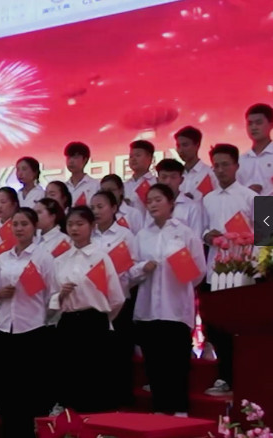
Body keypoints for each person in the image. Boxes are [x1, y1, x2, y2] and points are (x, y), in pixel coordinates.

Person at [131, 183, 207, 416]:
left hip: (175, 309)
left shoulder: (185, 233)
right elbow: (130, 272)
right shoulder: (142, 235)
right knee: (154, 365)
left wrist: (180, 272)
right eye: (149, 201)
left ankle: (180, 411)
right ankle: (160, 411)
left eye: (158, 200)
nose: (152, 205)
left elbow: (199, 272)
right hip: (148, 310)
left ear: (171, 203)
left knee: (176, 364)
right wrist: (143, 268)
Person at [50, 206, 125, 413]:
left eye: (80, 224)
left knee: (95, 377)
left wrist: (103, 319)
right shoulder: (60, 260)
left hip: (94, 322)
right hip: (68, 322)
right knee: (69, 375)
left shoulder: (101, 258)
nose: (74, 228)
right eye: (70, 224)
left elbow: (116, 298)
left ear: (92, 226)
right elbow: (51, 297)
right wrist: (61, 296)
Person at [0, 208, 56, 438]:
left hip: (32, 328)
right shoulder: (3, 257)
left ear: (34, 226)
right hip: (4, 326)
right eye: (16, 224)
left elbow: (52, 294)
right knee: (6, 388)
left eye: (24, 224)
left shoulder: (43, 256)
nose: (19, 228)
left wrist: (42, 317)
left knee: (29, 389)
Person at [201, 144, 256, 396]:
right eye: (216, 166)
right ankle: (224, 377)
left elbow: (268, 235)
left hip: (244, 270)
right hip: (215, 269)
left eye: (225, 164)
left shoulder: (253, 197)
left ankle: (246, 377)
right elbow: (202, 230)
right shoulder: (207, 199)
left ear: (236, 166)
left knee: (243, 328)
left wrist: (246, 240)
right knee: (217, 327)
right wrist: (207, 235)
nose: (221, 170)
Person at [90, 190, 139, 407]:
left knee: (120, 353)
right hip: (94, 302)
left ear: (114, 208)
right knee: (98, 355)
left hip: (120, 300)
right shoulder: (89, 235)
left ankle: (122, 403)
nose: (96, 211)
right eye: (93, 208)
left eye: (100, 207)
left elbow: (135, 267)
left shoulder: (125, 235)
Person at [151, 159, 204, 232]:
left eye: (173, 177)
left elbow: (196, 236)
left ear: (181, 180)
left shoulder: (193, 207)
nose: (168, 182)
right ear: (157, 180)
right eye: (164, 177)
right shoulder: (153, 207)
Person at [174, 126, 218, 201]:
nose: (180, 150)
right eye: (178, 146)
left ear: (197, 145)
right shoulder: (176, 175)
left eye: (185, 145)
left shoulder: (210, 174)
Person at [239, 103, 273, 195]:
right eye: (250, 124)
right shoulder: (240, 160)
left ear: (271, 124)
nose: (254, 127)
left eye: (258, 123)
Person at [123, 140, 157, 215]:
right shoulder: (124, 186)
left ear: (150, 158)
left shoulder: (155, 183)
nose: (133, 159)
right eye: (131, 156)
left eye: (138, 155)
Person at [64, 142, 101, 207]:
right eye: (68, 157)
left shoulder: (95, 185)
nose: (71, 161)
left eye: (75, 157)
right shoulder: (64, 187)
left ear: (85, 160)